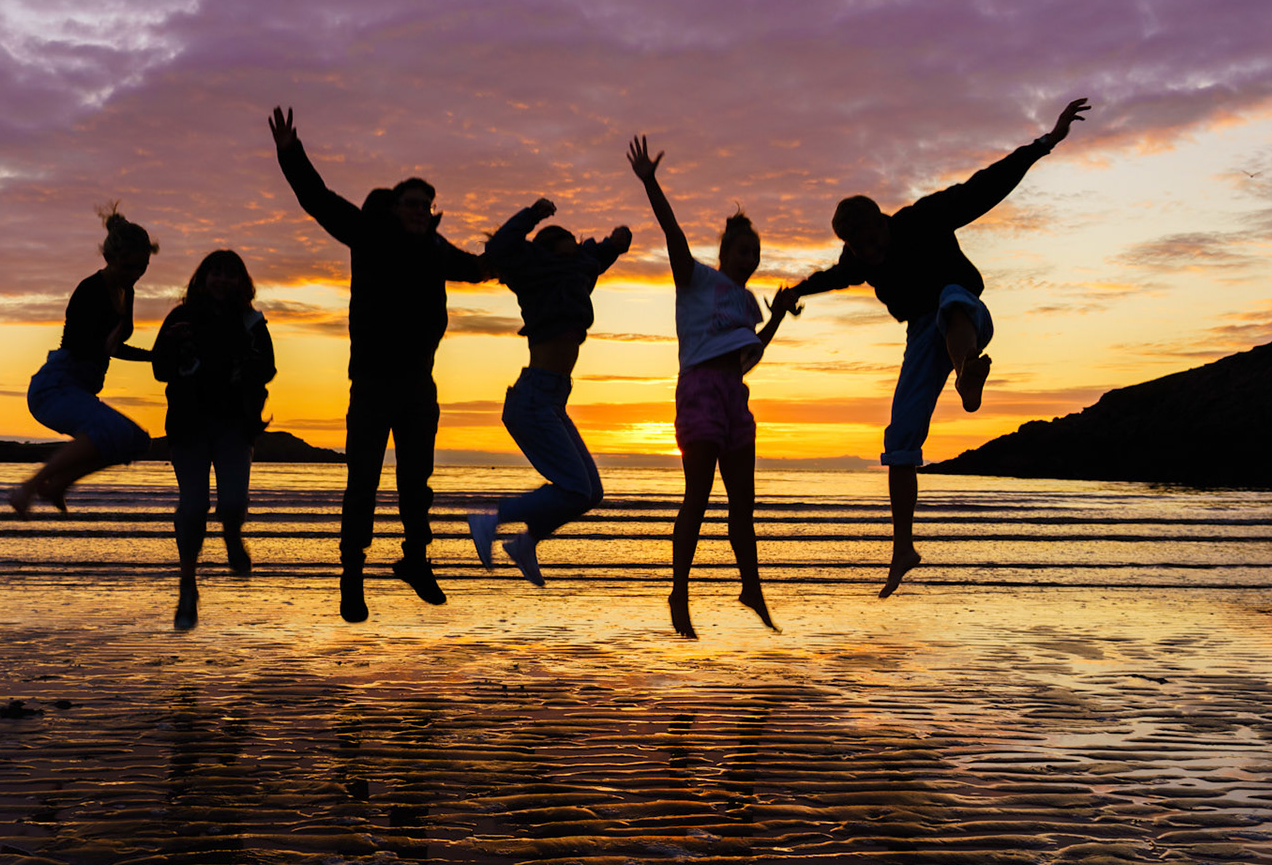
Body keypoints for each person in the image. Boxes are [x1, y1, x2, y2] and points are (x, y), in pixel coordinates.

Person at [779, 97, 1091, 598]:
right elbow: (833, 277)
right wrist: (795, 291)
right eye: (863, 250)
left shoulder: (923, 218)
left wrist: (1046, 142)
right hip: (921, 337)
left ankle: (968, 369)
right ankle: (903, 547)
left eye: (877, 240)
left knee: (949, 302)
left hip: (967, 309)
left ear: (885, 222)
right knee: (899, 438)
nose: (874, 253)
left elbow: (984, 185)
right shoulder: (858, 259)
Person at [267, 106, 487, 624]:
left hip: (418, 385)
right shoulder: (369, 233)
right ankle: (352, 573)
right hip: (370, 382)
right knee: (362, 480)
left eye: (428, 204)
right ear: (394, 206)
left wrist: (521, 255)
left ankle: (415, 559)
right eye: (412, 202)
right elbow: (318, 200)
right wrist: (290, 152)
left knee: (416, 481)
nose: (420, 210)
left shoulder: (435, 248)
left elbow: (477, 269)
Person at [627, 135, 796, 639]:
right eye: (743, 250)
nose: (751, 257)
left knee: (742, 504)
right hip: (699, 392)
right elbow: (672, 232)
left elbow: (749, 359)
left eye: (757, 252)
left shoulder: (748, 305)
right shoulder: (697, 279)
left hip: (734, 398)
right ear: (723, 252)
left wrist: (778, 318)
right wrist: (650, 181)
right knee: (697, 497)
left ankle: (751, 587)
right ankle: (679, 591)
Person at [466, 198, 632, 584]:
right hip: (533, 398)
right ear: (553, 244)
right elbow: (499, 248)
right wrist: (532, 214)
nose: (577, 241)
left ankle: (526, 542)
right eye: (569, 239)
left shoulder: (579, 268)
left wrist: (619, 241)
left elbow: (601, 253)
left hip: (553, 399)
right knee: (574, 488)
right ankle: (491, 520)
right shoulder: (535, 271)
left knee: (590, 493)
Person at [152, 249, 275, 631]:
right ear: (203, 278)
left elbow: (268, 367)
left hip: (235, 425)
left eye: (230, 274)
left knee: (234, 501)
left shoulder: (251, 321)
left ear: (242, 281)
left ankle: (232, 534)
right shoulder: (181, 317)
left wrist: (242, 372)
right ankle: (187, 584)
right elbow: (159, 367)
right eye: (215, 273)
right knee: (193, 508)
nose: (222, 280)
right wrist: (180, 353)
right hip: (188, 425)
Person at [10, 206, 158, 518]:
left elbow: (114, 346)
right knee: (108, 431)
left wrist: (155, 357)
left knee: (135, 441)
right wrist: (103, 345)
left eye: (142, 268)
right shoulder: (90, 289)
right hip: (56, 386)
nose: (135, 275)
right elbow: (81, 344)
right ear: (110, 258)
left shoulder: (126, 291)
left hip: (80, 389)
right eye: (129, 267)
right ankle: (29, 486)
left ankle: (58, 485)